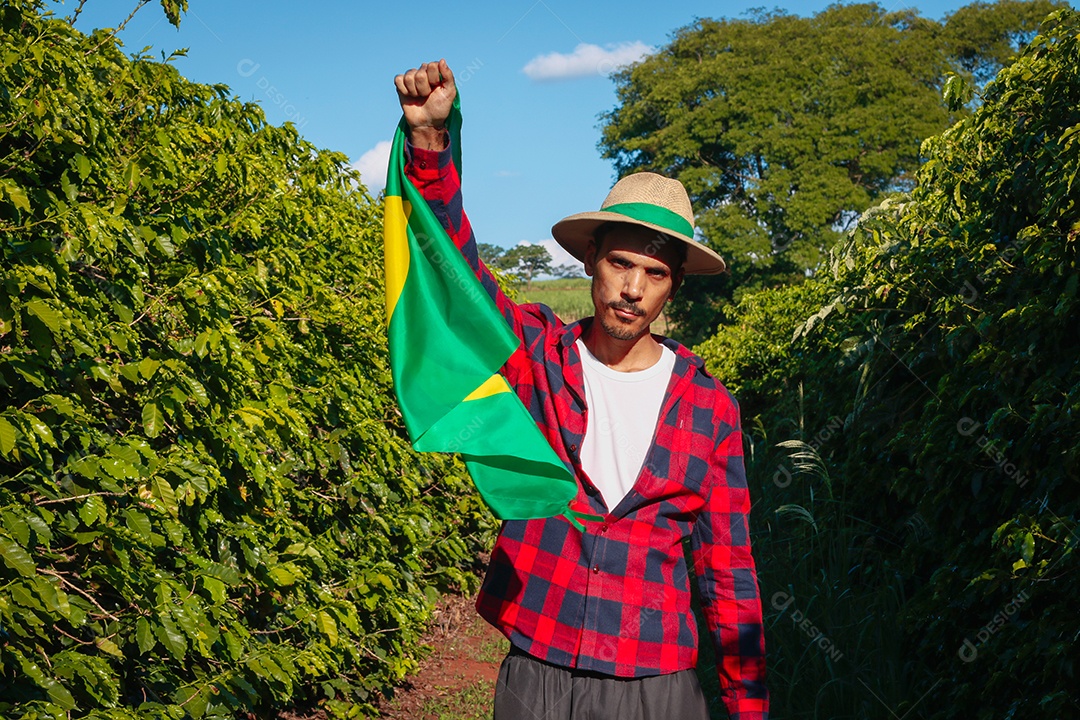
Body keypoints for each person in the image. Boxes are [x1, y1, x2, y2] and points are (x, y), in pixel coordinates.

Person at [394, 58, 768, 720]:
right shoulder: (536, 357)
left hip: (657, 683)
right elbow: (451, 267)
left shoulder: (711, 409)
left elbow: (728, 571)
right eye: (620, 263)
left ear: (673, 284)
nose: (632, 288)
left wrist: (746, 706)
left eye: (653, 273)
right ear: (591, 261)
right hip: (540, 666)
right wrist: (429, 143)